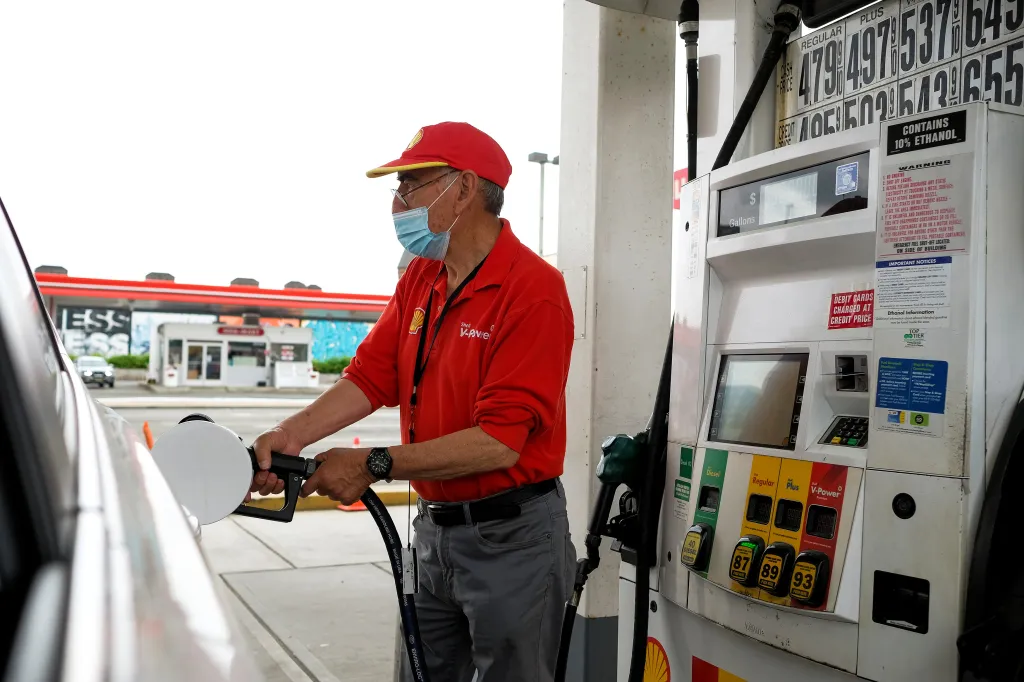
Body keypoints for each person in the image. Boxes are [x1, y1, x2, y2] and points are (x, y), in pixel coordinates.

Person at [247, 121, 577, 681]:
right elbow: (371, 379)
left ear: (465, 189)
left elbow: (499, 442)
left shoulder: (533, 290)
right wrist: (291, 435)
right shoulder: (423, 278)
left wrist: (374, 463)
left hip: (511, 539)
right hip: (434, 534)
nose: (397, 202)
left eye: (411, 185)